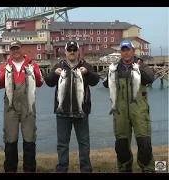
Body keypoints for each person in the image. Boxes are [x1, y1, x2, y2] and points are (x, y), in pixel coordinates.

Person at [45, 41, 100, 172]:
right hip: (62, 112)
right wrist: (54, 74)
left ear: (78, 51)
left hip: (81, 112)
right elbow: (49, 82)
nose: (72, 52)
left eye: (74, 49)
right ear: (65, 51)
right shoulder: (59, 66)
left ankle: (86, 169)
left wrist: (87, 73)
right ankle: (62, 168)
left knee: (84, 143)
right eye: (69, 49)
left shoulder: (85, 66)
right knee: (62, 145)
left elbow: (95, 81)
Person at [102, 40, 155, 172]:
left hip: (139, 111)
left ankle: (148, 168)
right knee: (121, 144)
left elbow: (150, 78)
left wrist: (140, 68)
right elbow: (105, 84)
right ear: (121, 52)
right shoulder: (115, 68)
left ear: (133, 51)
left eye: (128, 50)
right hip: (120, 111)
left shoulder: (140, 65)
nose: (126, 53)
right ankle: (124, 168)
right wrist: (109, 74)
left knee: (144, 142)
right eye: (123, 50)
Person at [0, 40, 44, 172]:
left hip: (27, 104)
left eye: (17, 48)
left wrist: (35, 74)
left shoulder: (32, 65)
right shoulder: (4, 67)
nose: (15, 51)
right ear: (9, 51)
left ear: (22, 49)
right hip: (10, 106)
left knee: (29, 137)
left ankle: (29, 169)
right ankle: (10, 169)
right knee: (10, 138)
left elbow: (40, 83)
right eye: (12, 49)